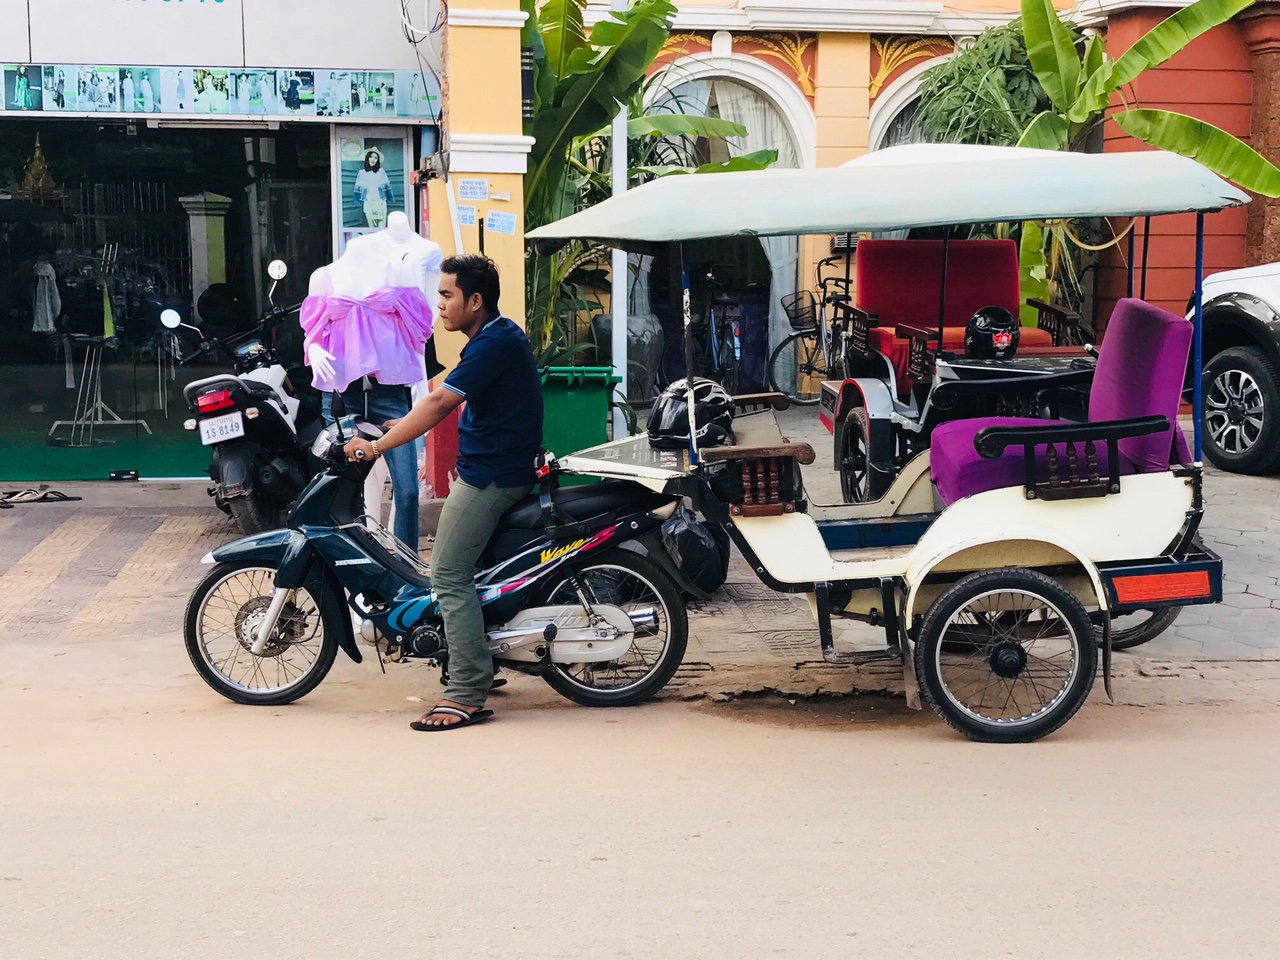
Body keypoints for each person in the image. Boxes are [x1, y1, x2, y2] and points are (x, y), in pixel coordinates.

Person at [344, 255, 543, 731]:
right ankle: (480, 660)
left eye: (447, 296)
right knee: (470, 573)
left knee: (448, 575)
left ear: (476, 300)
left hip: (492, 477)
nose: (440, 307)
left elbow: (437, 404)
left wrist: (376, 447)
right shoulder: (495, 336)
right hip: (495, 468)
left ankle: (467, 692)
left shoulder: (493, 343)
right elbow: (442, 400)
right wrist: (397, 427)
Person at [353, 148, 393, 228]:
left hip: (380, 202)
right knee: (371, 228)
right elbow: (358, 189)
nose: (373, 160)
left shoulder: (381, 172)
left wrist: (381, 202)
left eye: (375, 158)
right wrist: (369, 201)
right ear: (367, 158)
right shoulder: (362, 173)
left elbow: (386, 188)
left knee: (382, 228)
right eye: (371, 157)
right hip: (368, 202)